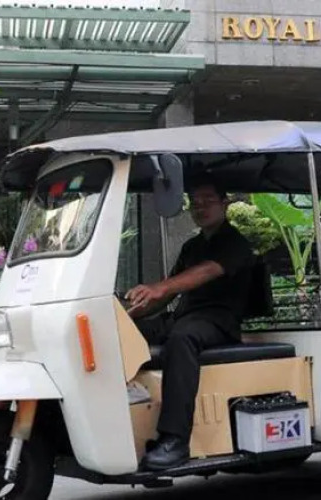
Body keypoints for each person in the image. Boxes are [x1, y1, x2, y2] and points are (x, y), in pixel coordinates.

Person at [125, 179, 256, 471]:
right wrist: (126, 315)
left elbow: (206, 271)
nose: (200, 206)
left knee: (181, 339)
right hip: (184, 317)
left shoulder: (234, 242)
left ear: (225, 203)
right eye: (195, 202)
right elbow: (166, 295)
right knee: (121, 333)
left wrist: (160, 287)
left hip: (218, 321)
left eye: (208, 200)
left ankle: (175, 440)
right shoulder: (192, 246)